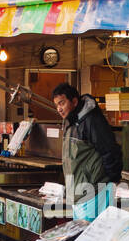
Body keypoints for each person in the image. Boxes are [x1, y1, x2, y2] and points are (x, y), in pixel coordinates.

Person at [52, 82, 122, 219]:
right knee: (81, 237)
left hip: (94, 192)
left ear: (74, 101)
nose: (59, 109)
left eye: (62, 103)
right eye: (57, 105)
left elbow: (110, 151)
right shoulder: (69, 123)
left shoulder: (91, 120)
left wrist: (111, 180)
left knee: (94, 236)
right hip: (78, 195)